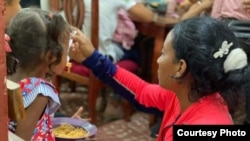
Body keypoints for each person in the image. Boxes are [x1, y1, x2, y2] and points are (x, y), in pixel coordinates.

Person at [69, 16, 250, 141]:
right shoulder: (190, 95)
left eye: (163, 53)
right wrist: (92, 57)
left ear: (180, 67)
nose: (157, 59)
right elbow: (141, 93)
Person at [6, 8, 72, 140]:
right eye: (67, 51)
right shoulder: (39, 91)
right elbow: (20, 139)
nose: (68, 56)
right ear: (51, 56)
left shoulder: (8, 74)